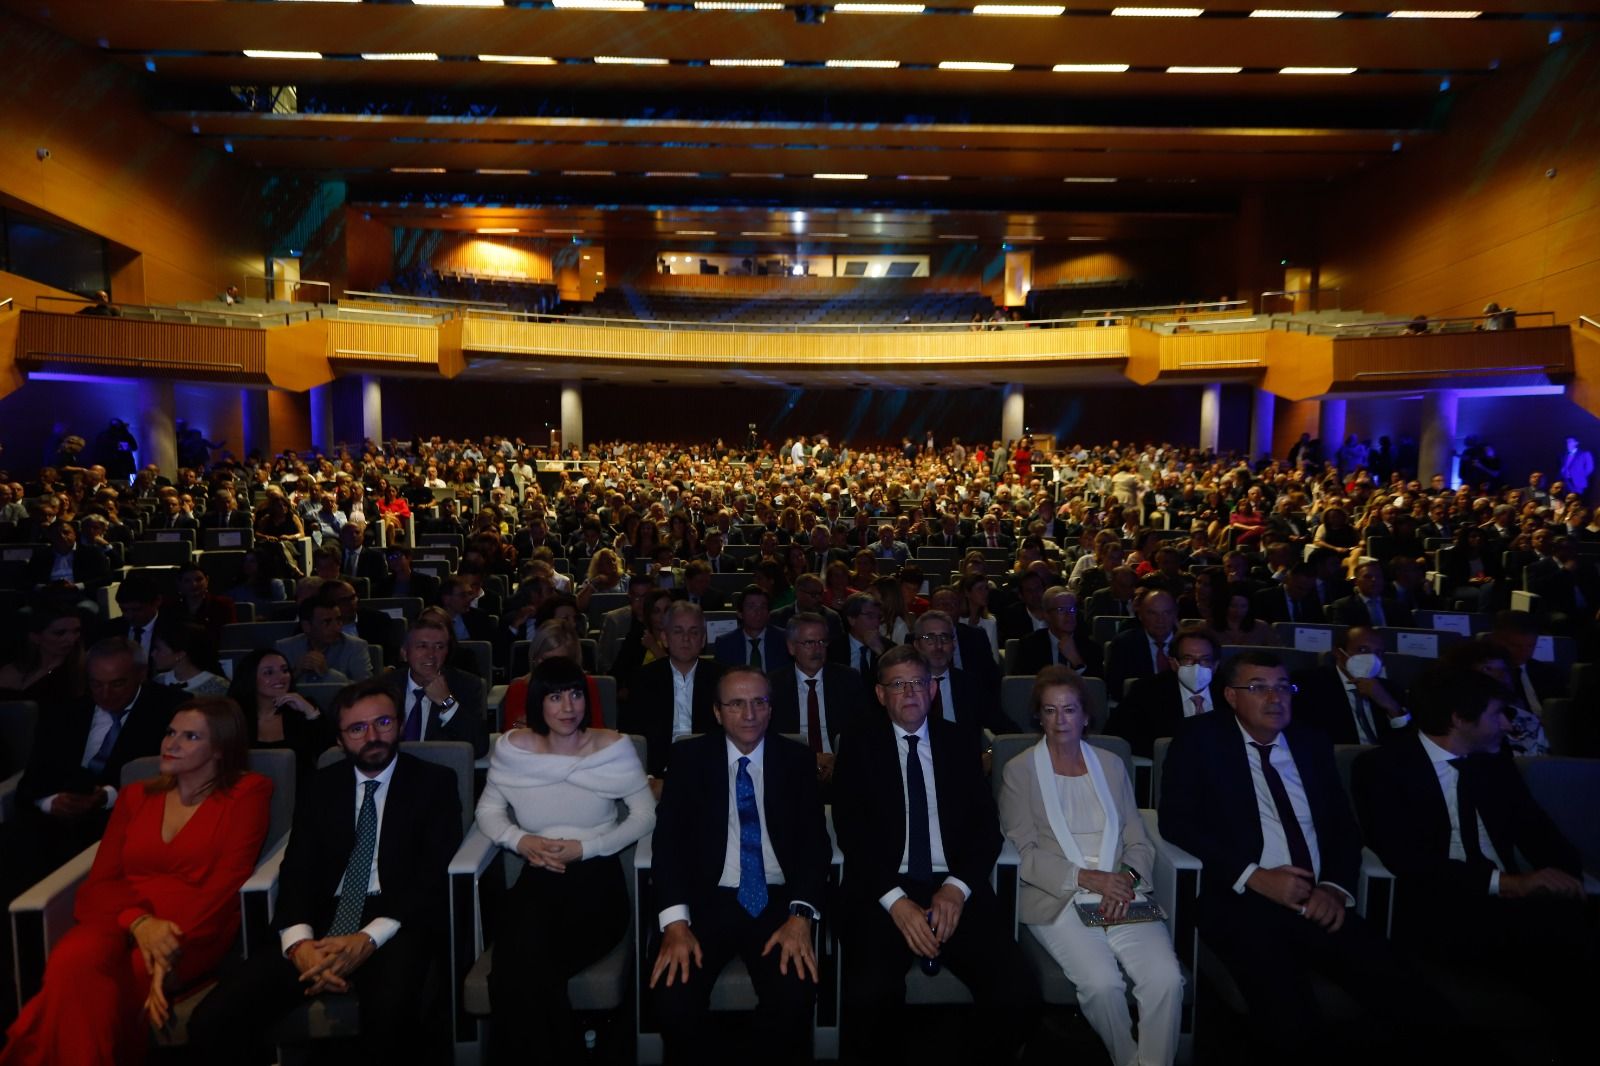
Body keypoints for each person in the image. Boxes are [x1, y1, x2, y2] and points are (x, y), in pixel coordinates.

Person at [1158, 650, 1432, 1063]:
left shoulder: (1310, 741)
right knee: (1288, 1008)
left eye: (1284, 687)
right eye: (1259, 688)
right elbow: (1177, 823)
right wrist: (1254, 876)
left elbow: (1343, 827)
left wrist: (1335, 888)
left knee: (1399, 985)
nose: (1276, 698)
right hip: (1241, 901)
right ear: (1231, 696)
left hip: (1318, 899)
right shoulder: (1200, 740)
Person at [187, 680, 463, 1066]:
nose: (372, 736)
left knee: (390, 1017)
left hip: (396, 920)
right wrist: (299, 945)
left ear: (399, 725)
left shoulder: (434, 783)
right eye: (356, 728)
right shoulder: (320, 786)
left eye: (383, 722)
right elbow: (298, 869)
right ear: (339, 739)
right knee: (212, 1020)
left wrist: (366, 939)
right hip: (320, 919)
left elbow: (431, 875)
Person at [0, 697, 272, 1066]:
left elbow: (224, 887)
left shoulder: (249, 792)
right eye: (170, 732)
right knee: (70, 962)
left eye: (190, 736)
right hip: (117, 917)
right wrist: (140, 923)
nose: (171, 744)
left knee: (99, 991)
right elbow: (100, 884)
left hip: (190, 929)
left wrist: (166, 947)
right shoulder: (136, 795)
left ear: (221, 749)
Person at [1352, 668, 1592, 1056]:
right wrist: (1509, 884)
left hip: (1518, 896)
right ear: (1459, 720)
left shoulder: (1493, 762)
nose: (1506, 725)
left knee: (1566, 931)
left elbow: (1540, 833)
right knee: (1561, 947)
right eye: (1498, 714)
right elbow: (1407, 858)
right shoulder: (1383, 768)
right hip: (1440, 900)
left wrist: (1562, 877)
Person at [831, 645, 1039, 1063]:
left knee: (1017, 990)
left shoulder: (962, 742)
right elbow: (853, 835)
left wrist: (957, 889)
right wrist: (896, 902)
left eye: (919, 683)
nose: (910, 692)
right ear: (880, 694)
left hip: (954, 884)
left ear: (932, 690)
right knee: (869, 994)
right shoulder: (858, 745)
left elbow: (986, 830)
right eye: (898, 684)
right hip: (884, 889)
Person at [998, 667, 1183, 1066]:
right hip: (1058, 895)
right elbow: (1024, 853)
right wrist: (1087, 878)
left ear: (1086, 715)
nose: (1060, 720)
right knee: (1101, 985)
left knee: (1166, 980)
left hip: (1122, 891)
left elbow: (1137, 840)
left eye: (1069, 710)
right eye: (1050, 710)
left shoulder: (1112, 765)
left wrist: (1125, 881)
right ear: (1038, 717)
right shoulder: (1019, 771)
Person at [475, 658, 656, 1064]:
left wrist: (585, 848)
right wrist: (519, 841)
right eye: (555, 697)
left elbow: (646, 816)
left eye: (575, 694)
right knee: (517, 971)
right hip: (536, 877)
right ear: (539, 701)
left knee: (521, 972)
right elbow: (487, 811)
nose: (568, 707)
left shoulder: (612, 746)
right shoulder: (513, 749)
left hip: (597, 881)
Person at [648, 665, 831, 1064]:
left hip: (777, 902)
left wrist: (801, 916)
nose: (749, 714)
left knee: (796, 994)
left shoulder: (796, 760)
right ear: (717, 712)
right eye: (736, 704)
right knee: (672, 998)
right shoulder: (688, 758)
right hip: (705, 903)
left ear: (771, 708)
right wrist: (676, 924)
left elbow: (815, 846)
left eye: (758, 702)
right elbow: (668, 846)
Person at [10, 639, 185, 890]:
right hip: (56, 820)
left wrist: (107, 796)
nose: (105, 694)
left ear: (140, 674)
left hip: (128, 814)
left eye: (117, 684)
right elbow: (33, 779)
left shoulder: (171, 709)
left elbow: (171, 776)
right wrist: (51, 802)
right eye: (96, 684)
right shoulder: (63, 713)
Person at [620, 600, 725, 777]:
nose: (686, 638)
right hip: (656, 773)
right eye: (678, 631)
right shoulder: (643, 678)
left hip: (710, 772)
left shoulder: (722, 679)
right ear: (664, 638)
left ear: (703, 640)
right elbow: (632, 734)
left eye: (694, 632)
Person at [765, 612, 869, 783]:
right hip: (792, 769)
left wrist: (837, 759)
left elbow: (863, 730)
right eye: (809, 643)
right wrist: (810, 759)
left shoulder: (848, 680)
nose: (817, 649)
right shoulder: (773, 685)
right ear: (791, 647)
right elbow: (769, 738)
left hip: (841, 768)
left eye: (822, 642)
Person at [376, 610, 490, 757]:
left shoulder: (466, 685)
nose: (431, 654)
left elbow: (479, 746)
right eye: (422, 646)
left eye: (439, 647)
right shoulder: (383, 687)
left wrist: (446, 701)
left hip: (441, 771)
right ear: (404, 653)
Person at [1107, 623, 1223, 758]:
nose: (1196, 666)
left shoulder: (1231, 694)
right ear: (1174, 663)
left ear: (1215, 665)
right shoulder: (1146, 691)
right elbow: (1116, 735)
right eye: (1188, 658)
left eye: (1205, 659)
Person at [1289, 627, 1412, 746]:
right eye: (1362, 650)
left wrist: (1390, 705)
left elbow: (1410, 740)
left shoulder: (1391, 689)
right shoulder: (1310, 684)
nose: (1372, 658)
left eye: (1378, 653)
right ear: (1338, 652)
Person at [227, 647, 331, 778]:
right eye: (269, 672)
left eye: (285, 670)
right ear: (250, 678)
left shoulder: (304, 707)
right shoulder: (234, 715)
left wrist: (311, 713)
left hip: (300, 791)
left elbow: (329, 754)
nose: (281, 677)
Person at [503, 618, 606, 730]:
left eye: (560, 662)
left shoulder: (587, 686)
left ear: (573, 661)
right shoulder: (518, 689)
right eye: (546, 661)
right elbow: (509, 734)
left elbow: (597, 730)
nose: (552, 669)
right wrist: (519, 728)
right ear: (535, 659)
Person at [274, 593, 374, 683]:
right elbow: (273, 689)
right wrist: (295, 672)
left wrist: (327, 673)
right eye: (327, 622)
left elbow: (365, 689)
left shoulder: (356, 647)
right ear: (306, 626)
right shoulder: (284, 647)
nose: (337, 628)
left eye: (339, 620)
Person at [1009, 585, 1103, 678]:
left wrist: (1077, 662)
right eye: (1061, 610)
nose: (1068, 615)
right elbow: (1019, 686)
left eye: (1072, 609)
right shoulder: (1029, 645)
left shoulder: (1091, 648)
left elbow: (1097, 689)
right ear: (1046, 615)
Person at [0, 603, 86, 704]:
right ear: (35, 637)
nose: (71, 639)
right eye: (60, 633)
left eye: (76, 631)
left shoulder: (84, 670)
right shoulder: (13, 670)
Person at [712, 584, 791, 672]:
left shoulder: (784, 639)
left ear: (769, 613)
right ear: (740, 613)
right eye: (751, 607)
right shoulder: (725, 643)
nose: (758, 612)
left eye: (763, 607)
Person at [149, 618, 229, 697]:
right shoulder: (159, 681)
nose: (153, 654)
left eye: (158, 649)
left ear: (180, 654)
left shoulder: (219, 687)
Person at [1326, 560, 1414, 629]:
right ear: (1356, 581)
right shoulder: (1343, 606)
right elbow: (1341, 636)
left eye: (1378, 576)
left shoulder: (1397, 607)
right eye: (1368, 577)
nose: (1374, 580)